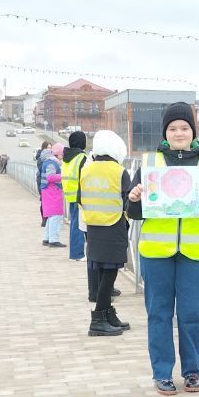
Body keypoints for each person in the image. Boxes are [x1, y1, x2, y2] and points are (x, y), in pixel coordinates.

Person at [127, 103, 199, 395]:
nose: (179, 133)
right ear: (165, 133)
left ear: (193, 131)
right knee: (158, 313)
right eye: (172, 128)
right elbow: (133, 211)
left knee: (192, 314)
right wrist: (134, 198)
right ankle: (162, 373)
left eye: (184, 127)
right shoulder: (149, 163)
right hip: (156, 253)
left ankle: (192, 371)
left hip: (193, 254)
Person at [79, 130, 134, 337]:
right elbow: (129, 202)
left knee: (102, 270)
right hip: (114, 225)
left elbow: (79, 198)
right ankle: (99, 318)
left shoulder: (86, 169)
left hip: (93, 226)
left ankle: (109, 313)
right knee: (110, 272)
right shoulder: (119, 171)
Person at [61, 131, 89, 261]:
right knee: (78, 226)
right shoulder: (81, 157)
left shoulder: (67, 156)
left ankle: (75, 252)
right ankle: (77, 254)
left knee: (74, 224)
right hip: (79, 195)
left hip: (70, 195)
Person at [41, 143, 66, 247]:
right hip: (52, 192)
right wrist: (63, 176)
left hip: (48, 192)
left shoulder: (49, 162)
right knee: (56, 215)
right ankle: (53, 240)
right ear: (58, 154)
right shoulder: (52, 163)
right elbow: (50, 177)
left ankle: (47, 238)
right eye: (62, 154)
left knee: (51, 216)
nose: (63, 156)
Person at [35, 141, 50, 226]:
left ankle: (48, 217)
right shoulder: (41, 158)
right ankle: (44, 218)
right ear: (43, 148)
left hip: (49, 181)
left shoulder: (52, 157)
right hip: (41, 179)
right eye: (47, 147)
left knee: (48, 200)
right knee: (43, 200)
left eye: (50, 148)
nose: (49, 149)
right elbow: (41, 169)